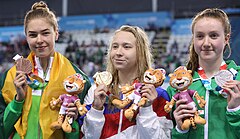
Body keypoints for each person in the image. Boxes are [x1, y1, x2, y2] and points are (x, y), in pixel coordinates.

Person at [0, 1, 91, 139]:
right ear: (26, 37)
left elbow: (85, 132)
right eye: (33, 35)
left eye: (45, 33)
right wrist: (18, 100)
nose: (39, 40)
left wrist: (73, 121)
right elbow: (3, 131)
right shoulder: (10, 77)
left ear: (56, 34)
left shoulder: (76, 77)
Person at [81, 25, 173, 139]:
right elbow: (89, 137)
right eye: (115, 47)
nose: (118, 52)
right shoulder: (96, 91)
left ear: (140, 52)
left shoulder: (157, 94)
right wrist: (96, 109)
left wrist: (146, 110)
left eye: (126, 47)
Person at [167, 8, 240, 139]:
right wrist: (180, 129)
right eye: (200, 36)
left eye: (213, 36)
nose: (206, 43)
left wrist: (236, 110)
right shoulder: (177, 85)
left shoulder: (238, 79)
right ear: (193, 39)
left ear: (226, 39)